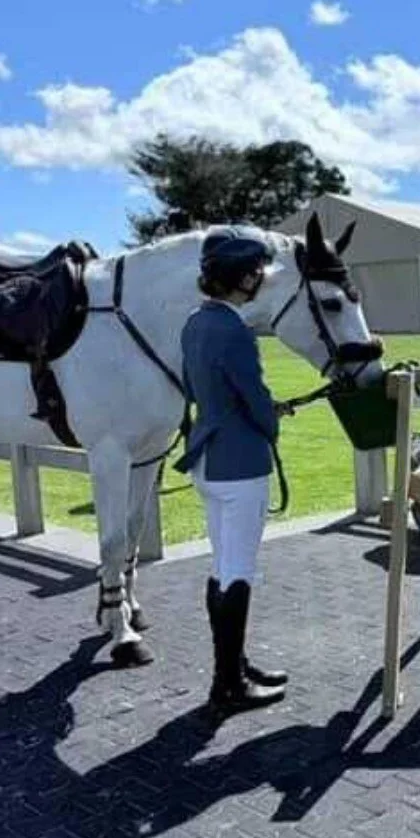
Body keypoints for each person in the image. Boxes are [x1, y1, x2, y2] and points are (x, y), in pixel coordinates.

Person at [174, 227, 290, 715]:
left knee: (222, 567)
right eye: (257, 272)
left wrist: (256, 408)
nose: (261, 279)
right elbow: (255, 399)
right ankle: (227, 684)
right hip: (240, 463)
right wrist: (270, 420)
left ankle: (234, 665)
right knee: (238, 572)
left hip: (208, 457)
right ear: (243, 279)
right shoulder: (235, 331)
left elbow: (201, 390)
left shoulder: (195, 324)